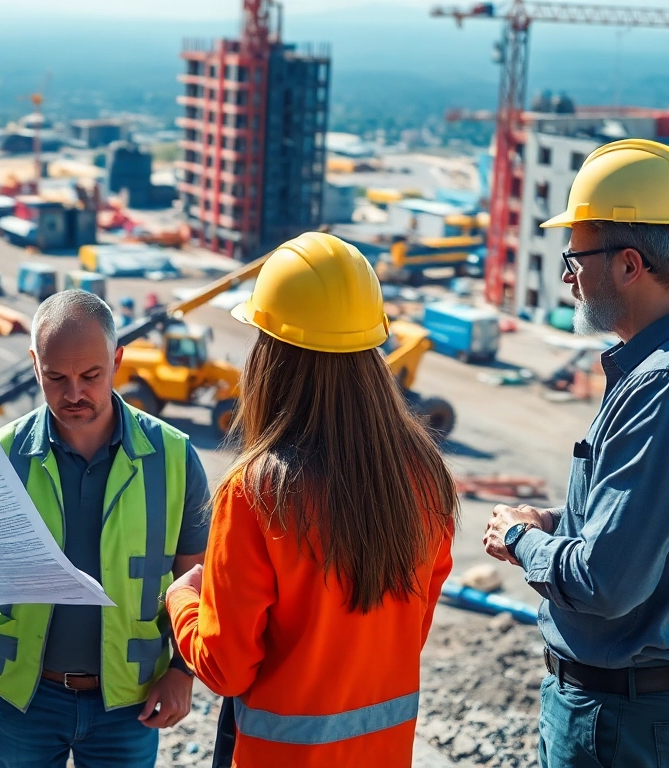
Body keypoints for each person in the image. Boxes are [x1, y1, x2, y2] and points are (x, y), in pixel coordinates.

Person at [481, 139, 669, 767]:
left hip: (618, 717)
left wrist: (520, 541)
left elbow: (607, 584)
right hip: (630, 710)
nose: (565, 275)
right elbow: (657, 533)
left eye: (575, 256)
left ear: (628, 264)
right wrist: (562, 525)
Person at [164, 232, 459, 766]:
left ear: (271, 354)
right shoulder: (423, 474)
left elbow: (225, 667)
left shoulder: (256, 493)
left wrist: (183, 600)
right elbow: (406, 633)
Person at [0, 290, 212, 768]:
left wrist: (183, 672)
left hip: (130, 698)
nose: (74, 393)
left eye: (91, 376)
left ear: (117, 360)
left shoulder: (175, 458)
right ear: (34, 364)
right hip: (25, 699)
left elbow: (199, 578)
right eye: (56, 377)